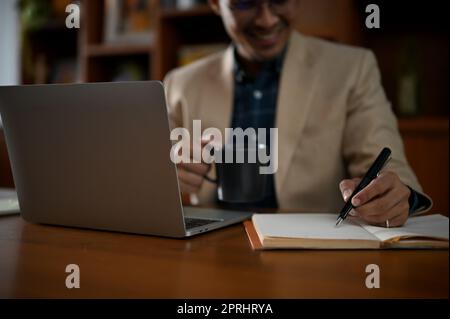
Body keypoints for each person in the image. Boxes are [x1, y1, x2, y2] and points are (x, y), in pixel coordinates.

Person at [164, 0, 432, 227]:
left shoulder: (352, 69)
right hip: (212, 252)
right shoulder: (181, 84)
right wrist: (168, 176)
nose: (267, 20)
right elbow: (145, 180)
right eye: (245, 2)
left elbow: (389, 167)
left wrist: (397, 197)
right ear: (214, 3)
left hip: (314, 257)